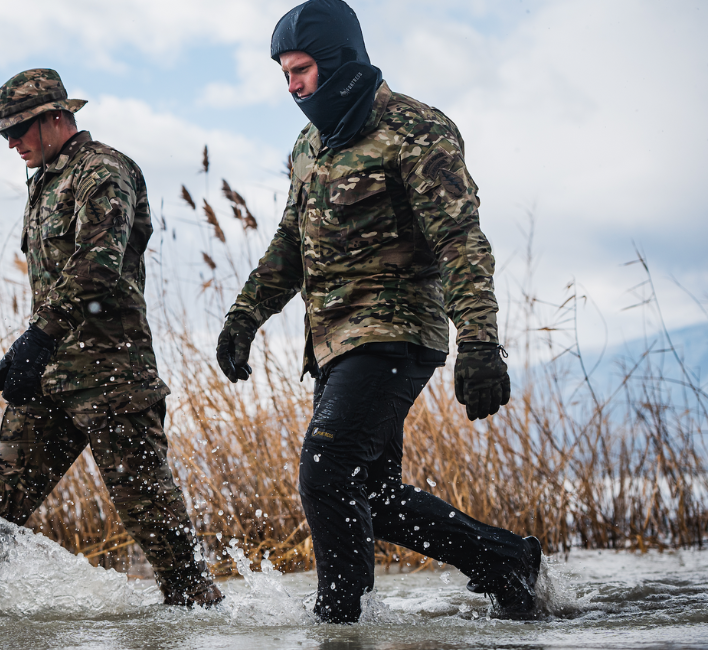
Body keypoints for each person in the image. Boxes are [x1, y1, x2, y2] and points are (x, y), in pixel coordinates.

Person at [216, 0, 542, 624]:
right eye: (284, 74)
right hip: (333, 343)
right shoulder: (308, 146)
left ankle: (337, 621)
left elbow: (461, 241)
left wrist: (479, 342)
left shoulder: (417, 129)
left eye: (303, 69)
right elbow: (290, 242)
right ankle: (501, 559)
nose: (293, 86)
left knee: (327, 467)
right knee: (372, 493)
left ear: (338, 60)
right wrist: (244, 317)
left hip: (397, 332)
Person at [0, 68, 221, 608]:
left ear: (57, 117)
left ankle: (203, 620)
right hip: (51, 378)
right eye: (6, 133)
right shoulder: (43, 181)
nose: (12, 142)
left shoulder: (103, 171)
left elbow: (98, 267)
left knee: (160, 534)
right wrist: (37, 351)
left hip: (114, 378)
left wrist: (36, 337)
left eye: (20, 129)